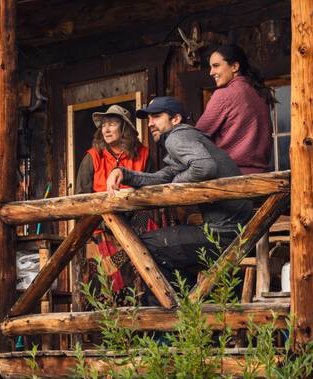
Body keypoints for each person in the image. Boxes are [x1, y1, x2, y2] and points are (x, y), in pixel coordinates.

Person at [106, 96, 252, 284]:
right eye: (148, 119)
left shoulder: (177, 137)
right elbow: (161, 178)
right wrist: (123, 173)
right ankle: (185, 303)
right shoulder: (188, 138)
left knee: (142, 244)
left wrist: (175, 185)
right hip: (236, 232)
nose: (150, 124)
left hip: (223, 234)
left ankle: (169, 308)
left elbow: (204, 167)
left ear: (176, 119)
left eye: (156, 116)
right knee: (159, 245)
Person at [74, 104, 160, 295]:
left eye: (112, 124)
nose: (105, 129)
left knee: (144, 267)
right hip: (101, 226)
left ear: (124, 128)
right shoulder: (93, 157)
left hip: (134, 224)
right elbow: (81, 198)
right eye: (103, 125)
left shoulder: (143, 155)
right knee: (102, 282)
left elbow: (153, 191)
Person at [194, 44, 274, 175]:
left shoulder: (224, 95)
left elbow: (196, 138)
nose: (211, 72)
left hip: (232, 178)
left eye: (216, 66)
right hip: (261, 177)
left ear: (235, 67)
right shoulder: (260, 95)